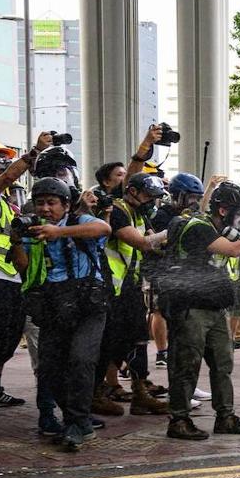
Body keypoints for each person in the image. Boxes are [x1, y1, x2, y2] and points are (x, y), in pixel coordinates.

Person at [161, 181, 240, 440]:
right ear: (223, 210)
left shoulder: (219, 229)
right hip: (190, 307)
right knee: (186, 364)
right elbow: (235, 250)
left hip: (214, 306)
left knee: (222, 363)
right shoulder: (199, 227)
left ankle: (225, 416)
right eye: (239, 212)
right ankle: (179, 420)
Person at [11, 162, 111, 451]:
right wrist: (18, 240)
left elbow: (103, 228)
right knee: (49, 369)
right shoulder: (34, 231)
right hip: (54, 304)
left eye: (51, 203)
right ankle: (74, 421)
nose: (44, 209)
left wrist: (59, 233)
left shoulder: (79, 222)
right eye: (39, 203)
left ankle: (78, 424)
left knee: (81, 360)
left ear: (65, 204)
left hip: (89, 304)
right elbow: (24, 267)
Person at [93, 170, 171, 417]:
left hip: (130, 287)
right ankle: (96, 393)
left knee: (137, 339)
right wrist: (175, 230)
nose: (151, 201)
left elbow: (152, 243)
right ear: (132, 192)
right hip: (111, 289)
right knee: (108, 344)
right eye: (148, 196)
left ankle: (140, 392)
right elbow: (143, 243)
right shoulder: (117, 211)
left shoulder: (137, 213)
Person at [0, 137, 43, 412]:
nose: (3, 165)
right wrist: (33, 153)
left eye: (5, 159)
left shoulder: (8, 206)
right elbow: (6, 178)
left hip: (10, 279)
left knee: (6, 338)